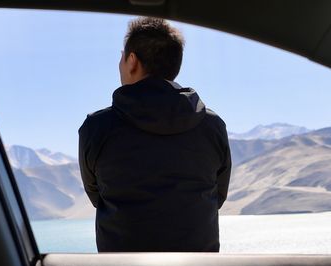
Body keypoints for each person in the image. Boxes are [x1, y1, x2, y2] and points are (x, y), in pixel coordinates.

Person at [78, 17, 231, 252]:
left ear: (132, 61)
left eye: (122, 56)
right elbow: (217, 196)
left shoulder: (96, 128)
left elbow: (97, 196)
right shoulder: (213, 126)